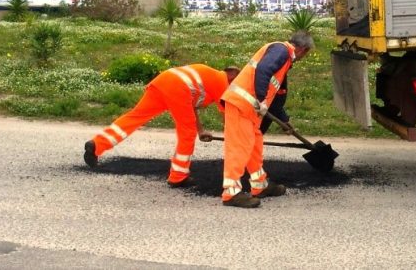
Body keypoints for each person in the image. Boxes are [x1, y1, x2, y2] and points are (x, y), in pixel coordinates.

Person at [83, 64, 240, 188]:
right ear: (232, 76)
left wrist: (201, 130)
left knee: (135, 116)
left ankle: (96, 144)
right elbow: (228, 114)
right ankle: (178, 177)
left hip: (162, 82)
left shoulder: (208, 76)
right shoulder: (221, 82)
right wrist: (239, 139)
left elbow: (191, 107)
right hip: (178, 89)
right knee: (187, 132)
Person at [220, 31, 314, 208]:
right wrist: (262, 98)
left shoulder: (284, 61)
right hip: (241, 104)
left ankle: (260, 185)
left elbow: (277, 98)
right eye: (306, 54)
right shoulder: (282, 50)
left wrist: (285, 121)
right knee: (240, 147)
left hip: (251, 110)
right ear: (303, 50)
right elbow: (263, 70)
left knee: (254, 145)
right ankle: (231, 193)